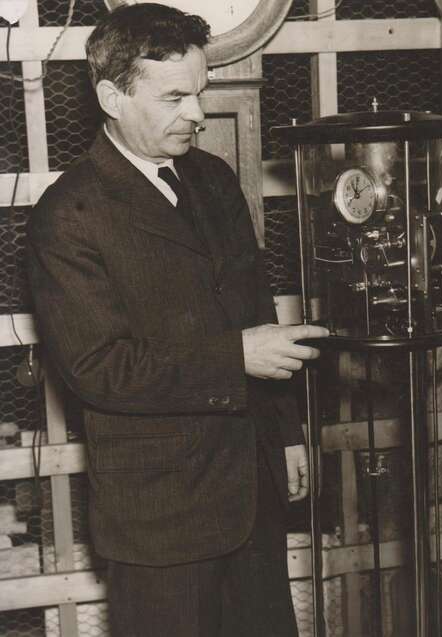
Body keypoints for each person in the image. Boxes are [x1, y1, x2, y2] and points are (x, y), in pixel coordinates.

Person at [26, 4, 329, 636]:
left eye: (200, 93)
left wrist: (287, 433)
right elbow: (97, 370)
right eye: (173, 97)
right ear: (112, 96)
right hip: (159, 520)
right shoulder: (68, 215)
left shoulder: (213, 178)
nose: (195, 113)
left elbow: (256, 313)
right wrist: (234, 357)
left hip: (250, 494)